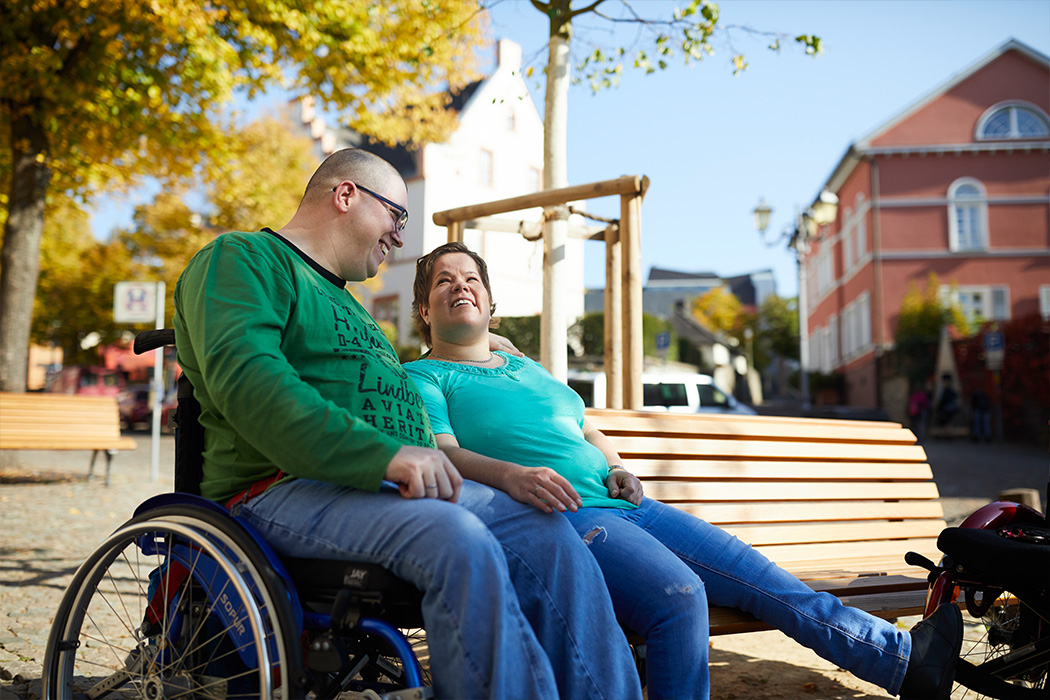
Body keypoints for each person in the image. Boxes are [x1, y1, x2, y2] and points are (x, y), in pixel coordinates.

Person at [173, 150, 641, 700]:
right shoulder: (244, 259)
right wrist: (386, 457)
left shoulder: (354, 311)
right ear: (346, 196)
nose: (399, 237)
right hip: (278, 490)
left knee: (546, 532)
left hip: (387, 490)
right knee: (456, 538)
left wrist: (492, 347)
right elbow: (251, 385)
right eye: (396, 216)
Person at [403, 242, 965, 700]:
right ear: (424, 311)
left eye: (471, 279)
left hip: (626, 504)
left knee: (757, 575)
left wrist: (619, 464)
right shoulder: (423, 377)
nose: (460, 286)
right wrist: (511, 476)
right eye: (444, 282)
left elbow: (583, 430)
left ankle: (900, 663)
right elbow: (444, 451)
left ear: (492, 305)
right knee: (679, 598)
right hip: (562, 520)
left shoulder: (527, 367)